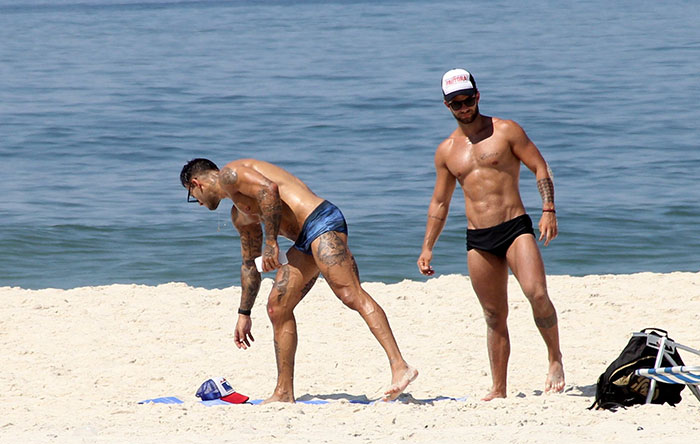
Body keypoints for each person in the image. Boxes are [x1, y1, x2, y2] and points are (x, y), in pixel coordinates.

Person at [181, 158, 417, 403]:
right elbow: (250, 264)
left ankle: (400, 366)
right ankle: (284, 393)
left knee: (350, 295)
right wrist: (244, 313)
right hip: (304, 243)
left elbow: (269, 190)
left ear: (195, 184)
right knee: (277, 307)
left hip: (321, 221)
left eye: (191, 195)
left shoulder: (231, 174)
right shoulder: (240, 215)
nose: (197, 203)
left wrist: (271, 243)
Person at [417, 68, 565, 400]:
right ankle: (499, 388)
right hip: (479, 239)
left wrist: (548, 209)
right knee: (493, 314)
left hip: (514, 227)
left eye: (468, 100)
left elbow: (540, 167)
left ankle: (555, 358)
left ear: (478, 96)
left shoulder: (507, 131)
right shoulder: (447, 151)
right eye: (457, 103)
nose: (464, 107)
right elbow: (440, 202)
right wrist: (427, 247)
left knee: (537, 294)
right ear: (447, 106)